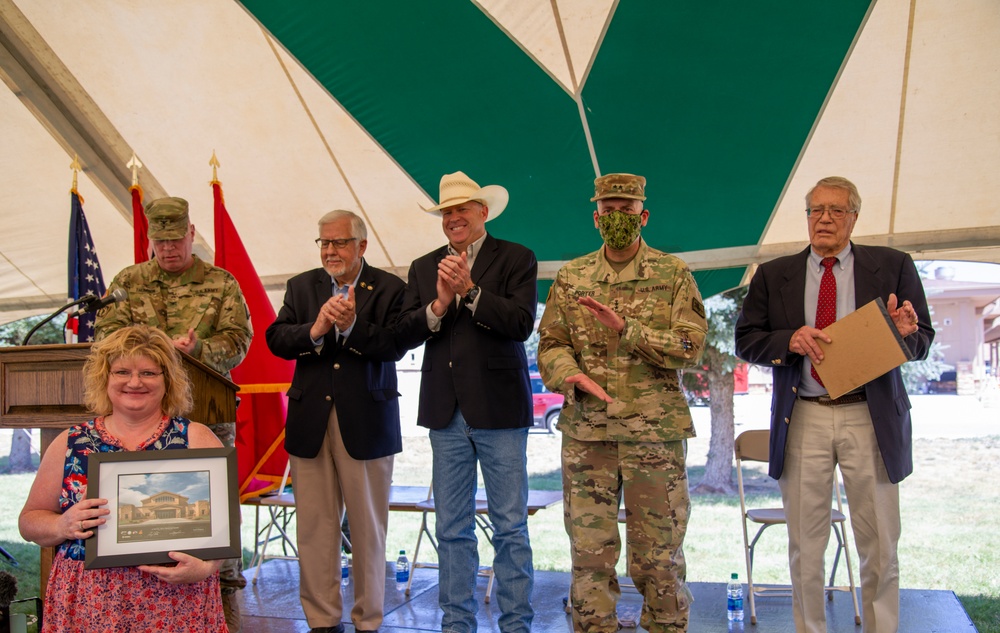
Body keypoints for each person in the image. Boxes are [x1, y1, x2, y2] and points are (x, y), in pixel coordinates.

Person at [734, 176, 934, 633]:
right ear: (806, 217)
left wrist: (907, 333)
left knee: (880, 542)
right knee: (805, 544)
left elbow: (923, 339)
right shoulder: (773, 273)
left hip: (871, 416)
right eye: (815, 210)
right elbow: (746, 341)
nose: (824, 219)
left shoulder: (893, 265)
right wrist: (791, 340)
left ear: (854, 218)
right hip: (805, 415)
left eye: (836, 211)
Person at [538, 173, 707, 633]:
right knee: (589, 557)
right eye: (608, 211)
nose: (616, 219)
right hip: (587, 435)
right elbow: (550, 340)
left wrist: (626, 329)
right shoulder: (572, 277)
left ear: (643, 216)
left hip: (653, 438)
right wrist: (566, 373)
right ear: (595, 218)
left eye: (626, 211)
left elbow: (691, 348)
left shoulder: (673, 274)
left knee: (659, 559)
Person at [94, 196, 252, 630]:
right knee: (140, 515)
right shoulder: (129, 281)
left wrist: (198, 349)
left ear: (191, 234)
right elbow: (105, 334)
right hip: (135, 421)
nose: (167, 249)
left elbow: (239, 339)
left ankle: (223, 613)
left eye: (175, 239)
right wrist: (153, 353)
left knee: (212, 519)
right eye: (159, 241)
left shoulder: (221, 283)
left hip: (206, 414)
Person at [396, 171, 537, 633]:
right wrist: (437, 306)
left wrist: (472, 293)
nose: (453, 218)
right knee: (451, 528)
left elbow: (520, 323)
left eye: (462, 210)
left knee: (510, 527)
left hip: (499, 411)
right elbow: (401, 333)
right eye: (446, 212)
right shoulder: (423, 267)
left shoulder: (516, 257)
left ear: (484, 212)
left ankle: (516, 624)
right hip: (445, 413)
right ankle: (457, 624)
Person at [18, 325, 228, 632]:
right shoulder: (70, 442)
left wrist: (207, 567)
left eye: (148, 373)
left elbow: (226, 525)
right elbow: (29, 521)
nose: (134, 382)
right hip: (89, 601)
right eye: (122, 372)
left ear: (167, 380)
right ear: (105, 378)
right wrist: (61, 525)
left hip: (175, 600)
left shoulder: (197, 438)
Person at [266, 210, 406, 633]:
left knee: (367, 529)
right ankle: (322, 621)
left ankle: (368, 620)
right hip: (310, 422)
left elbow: (395, 345)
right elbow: (277, 338)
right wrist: (317, 328)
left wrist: (352, 329)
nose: (330, 250)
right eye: (324, 243)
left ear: (361, 246)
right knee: (314, 529)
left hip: (365, 423)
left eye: (339, 242)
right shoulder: (301, 286)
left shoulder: (389, 288)